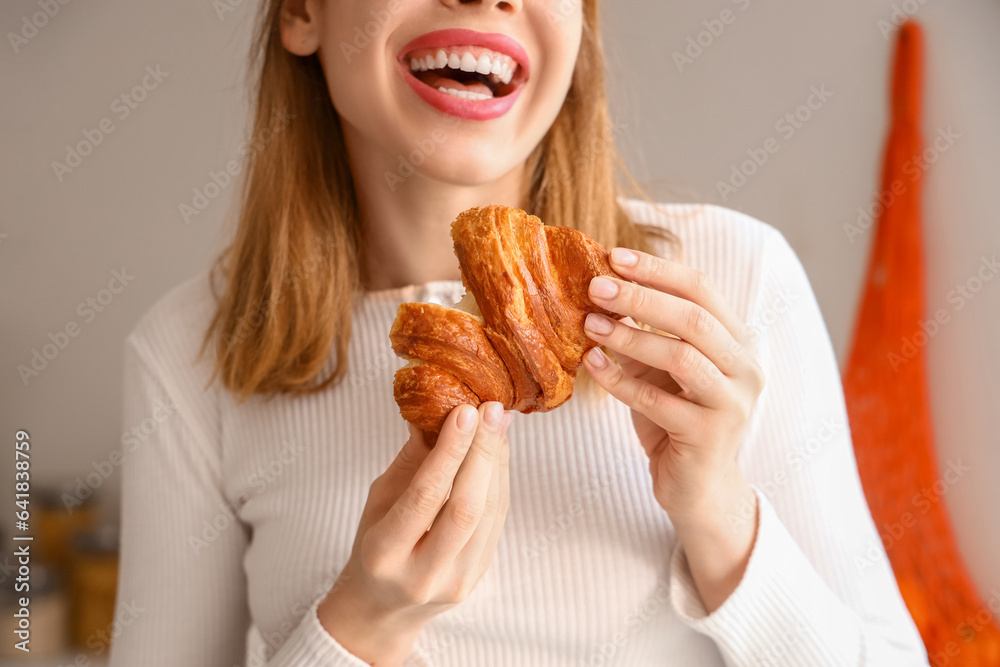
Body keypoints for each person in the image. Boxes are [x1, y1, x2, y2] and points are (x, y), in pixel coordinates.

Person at [109, 1, 930, 665]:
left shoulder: (732, 283)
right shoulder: (190, 354)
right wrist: (359, 628)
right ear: (301, 13)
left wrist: (721, 515)